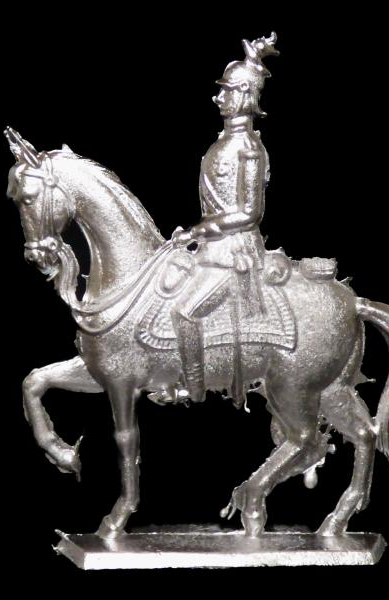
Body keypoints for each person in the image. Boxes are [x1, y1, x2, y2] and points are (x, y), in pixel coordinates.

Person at [171, 33, 279, 404]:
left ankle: (194, 388)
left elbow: (249, 212)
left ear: (245, 95)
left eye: (227, 91)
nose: (219, 98)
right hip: (213, 249)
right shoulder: (222, 142)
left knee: (184, 312)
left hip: (235, 253)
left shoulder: (249, 148)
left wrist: (198, 230)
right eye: (222, 91)